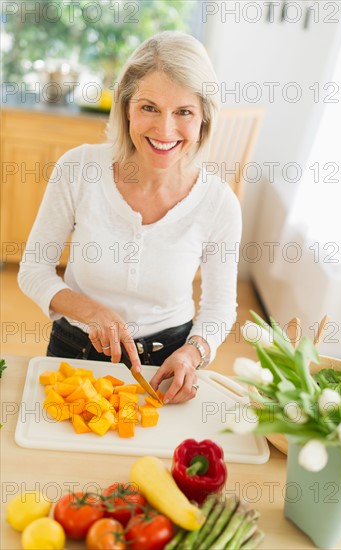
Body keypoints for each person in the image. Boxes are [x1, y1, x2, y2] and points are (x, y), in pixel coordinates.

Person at [18, 31, 242, 404]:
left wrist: (194, 352)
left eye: (183, 112)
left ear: (203, 117)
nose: (165, 130)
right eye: (149, 107)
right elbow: (33, 269)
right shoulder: (78, 168)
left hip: (167, 364)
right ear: (125, 107)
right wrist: (93, 312)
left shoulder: (219, 204)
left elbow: (219, 307)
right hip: (76, 353)